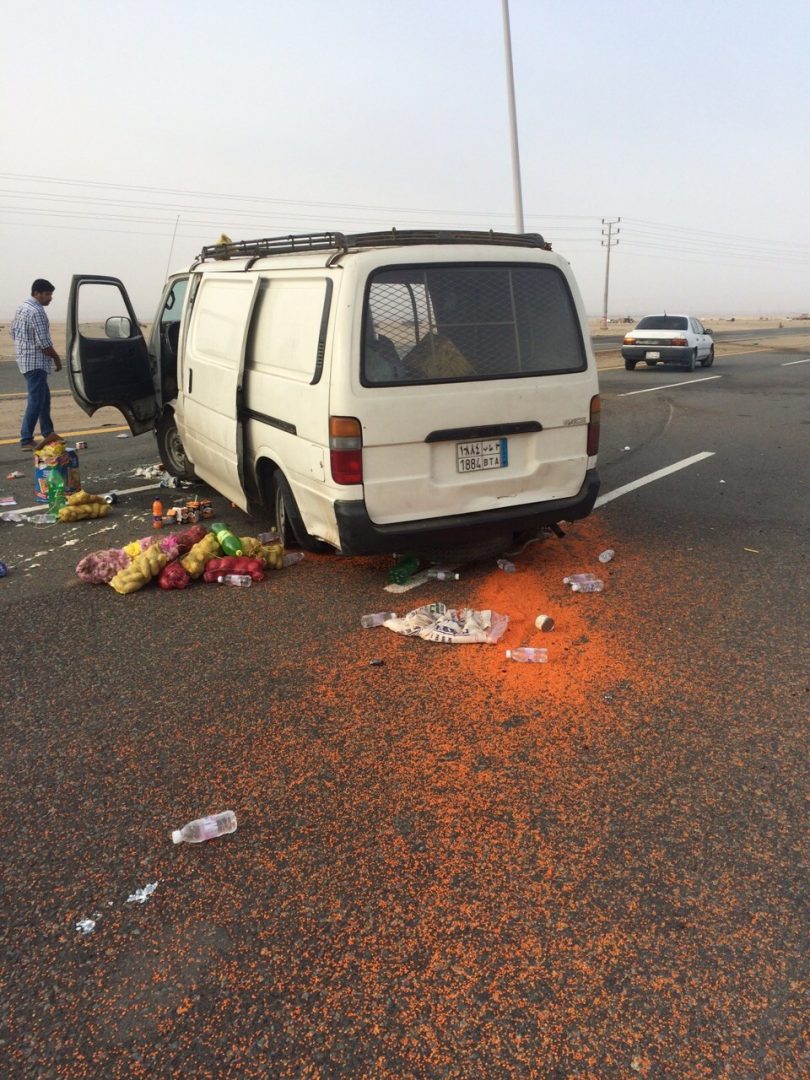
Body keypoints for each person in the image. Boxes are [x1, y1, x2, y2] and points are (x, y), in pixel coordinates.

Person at [11, 278, 62, 452]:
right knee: (36, 400)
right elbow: (44, 343)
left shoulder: (22, 308)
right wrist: (57, 358)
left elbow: (13, 332)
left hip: (25, 359)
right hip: (35, 361)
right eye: (47, 294)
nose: (50, 298)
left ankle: (48, 433)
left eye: (51, 294)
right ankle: (26, 439)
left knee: (43, 399)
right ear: (36, 293)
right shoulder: (37, 311)